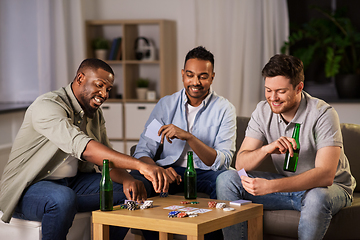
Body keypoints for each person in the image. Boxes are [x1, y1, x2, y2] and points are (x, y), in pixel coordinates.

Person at [0, 58, 175, 240]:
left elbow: (106, 159)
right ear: (80, 78)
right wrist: (141, 165)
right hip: (29, 189)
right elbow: (86, 148)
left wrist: (128, 179)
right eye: (99, 85)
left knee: (138, 186)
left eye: (108, 89)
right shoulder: (47, 106)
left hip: (73, 183)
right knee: (62, 199)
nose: (104, 94)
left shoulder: (94, 113)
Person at [216, 54, 356, 240]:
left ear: (299, 87)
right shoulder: (262, 111)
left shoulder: (323, 114)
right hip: (288, 185)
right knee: (227, 179)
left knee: (315, 198)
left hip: (330, 189)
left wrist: (271, 187)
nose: (273, 98)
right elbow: (241, 163)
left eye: (280, 91)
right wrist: (266, 149)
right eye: (268, 90)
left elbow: (325, 175)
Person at [133, 46, 236, 199]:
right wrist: (158, 170)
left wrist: (189, 137)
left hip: (206, 173)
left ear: (212, 78)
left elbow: (223, 161)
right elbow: (142, 151)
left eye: (203, 76)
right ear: (183, 75)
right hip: (170, 171)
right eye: (190, 75)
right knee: (134, 178)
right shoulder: (165, 105)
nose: (195, 82)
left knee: (228, 180)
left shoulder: (225, 109)